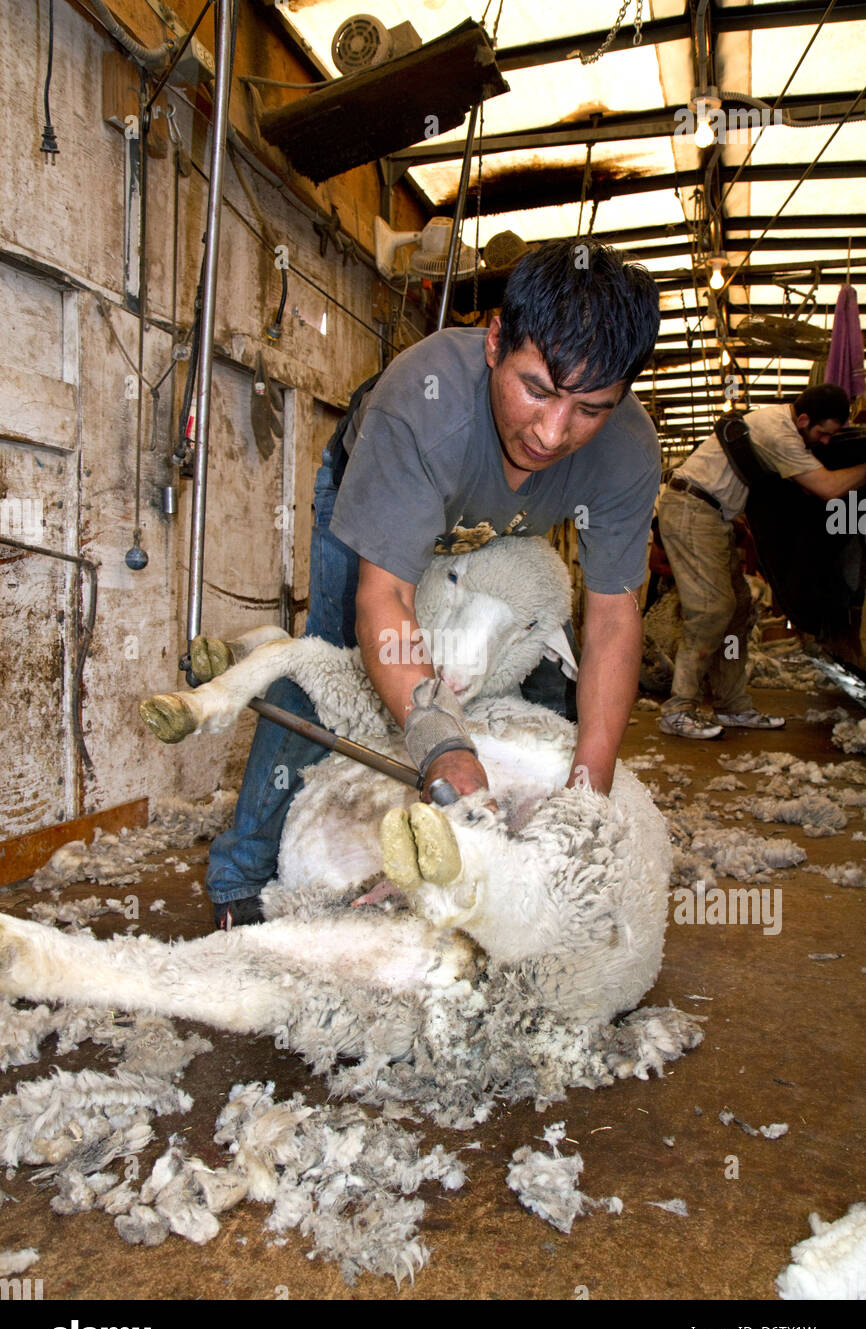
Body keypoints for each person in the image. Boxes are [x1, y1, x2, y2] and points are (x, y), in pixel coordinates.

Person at [206, 238, 661, 928]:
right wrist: (444, 747)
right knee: (331, 658)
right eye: (534, 388)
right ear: (495, 341)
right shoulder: (421, 406)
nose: (552, 431)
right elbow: (382, 599)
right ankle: (240, 870)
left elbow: (613, 620)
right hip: (388, 485)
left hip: (496, 520)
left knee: (539, 667)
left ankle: (492, 850)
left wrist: (588, 791)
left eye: (590, 408)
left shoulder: (626, 451)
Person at [656, 384, 862, 739]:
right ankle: (678, 710)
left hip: (714, 514)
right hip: (693, 508)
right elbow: (828, 489)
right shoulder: (779, 433)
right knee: (712, 609)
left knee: (738, 610)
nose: (825, 443)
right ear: (803, 419)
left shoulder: (783, 429)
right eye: (823, 434)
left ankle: (731, 705)